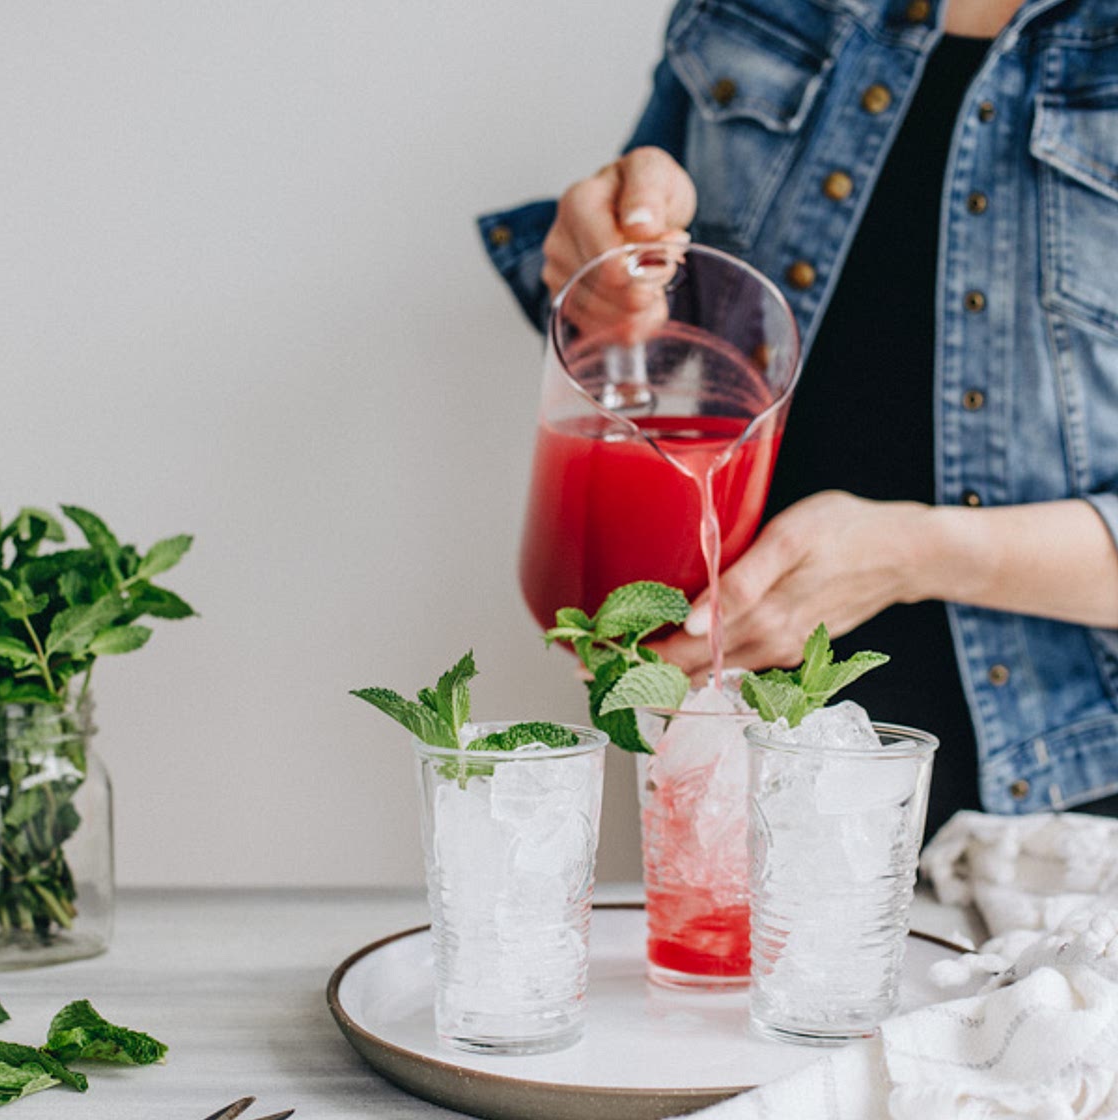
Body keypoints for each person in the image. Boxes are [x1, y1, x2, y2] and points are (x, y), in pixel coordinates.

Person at [479, 0, 1118, 837]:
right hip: (737, 735)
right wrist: (607, 274)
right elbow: (651, 318)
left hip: (1065, 809)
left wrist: (913, 557)